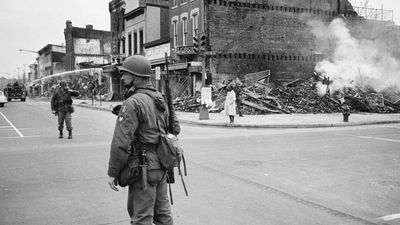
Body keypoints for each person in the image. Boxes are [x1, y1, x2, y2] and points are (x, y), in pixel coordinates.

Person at [107, 55, 180, 225]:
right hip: (162, 165)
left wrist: (112, 173)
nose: (123, 77)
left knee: (141, 218)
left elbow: (120, 143)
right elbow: (175, 129)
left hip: (143, 168)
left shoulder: (132, 103)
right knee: (162, 215)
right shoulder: (160, 98)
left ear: (136, 76)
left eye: (125, 74)